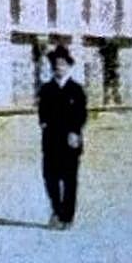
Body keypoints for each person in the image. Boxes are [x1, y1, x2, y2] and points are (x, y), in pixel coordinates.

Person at [37, 45, 87, 230]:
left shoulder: (76, 90)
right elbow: (42, 112)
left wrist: (75, 132)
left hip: (70, 141)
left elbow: (82, 114)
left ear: (68, 66)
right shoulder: (46, 89)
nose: (59, 67)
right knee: (50, 178)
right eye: (56, 64)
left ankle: (67, 216)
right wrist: (42, 122)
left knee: (69, 179)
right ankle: (56, 210)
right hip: (50, 141)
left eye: (62, 64)